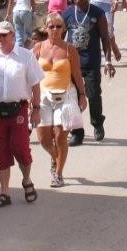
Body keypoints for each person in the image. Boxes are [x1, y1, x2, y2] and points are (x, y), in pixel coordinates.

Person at [0, 22, 44, 208]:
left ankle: (27, 180)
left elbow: (36, 85)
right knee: (1, 151)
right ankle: (4, 193)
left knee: (20, 147)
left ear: (12, 35)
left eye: (3, 35)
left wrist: (36, 109)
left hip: (19, 108)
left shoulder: (26, 56)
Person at [33, 13, 87, 187]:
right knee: (43, 138)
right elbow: (30, 75)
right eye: (51, 26)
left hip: (65, 95)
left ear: (64, 29)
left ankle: (58, 174)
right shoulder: (38, 47)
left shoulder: (70, 49)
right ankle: (54, 157)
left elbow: (77, 75)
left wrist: (82, 95)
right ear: (46, 28)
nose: (55, 29)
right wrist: (28, 98)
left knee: (60, 136)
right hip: (43, 96)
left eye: (58, 26)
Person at [63, 0, 115, 146]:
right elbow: (59, 36)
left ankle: (97, 123)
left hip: (91, 62)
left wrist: (108, 60)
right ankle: (77, 132)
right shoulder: (68, 13)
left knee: (92, 95)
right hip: (72, 64)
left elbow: (105, 39)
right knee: (72, 97)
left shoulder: (97, 14)